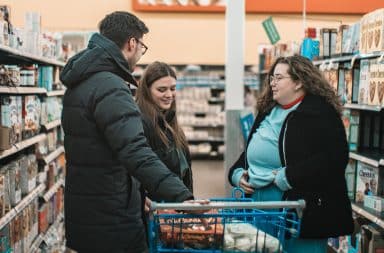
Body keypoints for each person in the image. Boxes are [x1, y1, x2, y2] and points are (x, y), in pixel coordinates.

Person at [60, 11, 197, 253]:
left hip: (88, 210)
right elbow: (134, 150)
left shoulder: (82, 80)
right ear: (132, 43)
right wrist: (183, 197)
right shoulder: (110, 85)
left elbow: (103, 152)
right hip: (112, 219)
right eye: (142, 46)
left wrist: (135, 194)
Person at [228, 55, 354, 253]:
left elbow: (334, 159)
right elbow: (252, 150)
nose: (272, 83)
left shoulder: (320, 114)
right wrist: (236, 173)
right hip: (259, 208)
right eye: (271, 78)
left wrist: (288, 176)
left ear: (299, 82)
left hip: (299, 212)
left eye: (278, 78)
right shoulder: (268, 110)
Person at [136, 61, 193, 198]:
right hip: (157, 207)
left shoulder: (171, 122)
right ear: (147, 90)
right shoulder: (141, 123)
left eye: (173, 89)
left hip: (175, 206)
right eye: (162, 90)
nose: (169, 95)